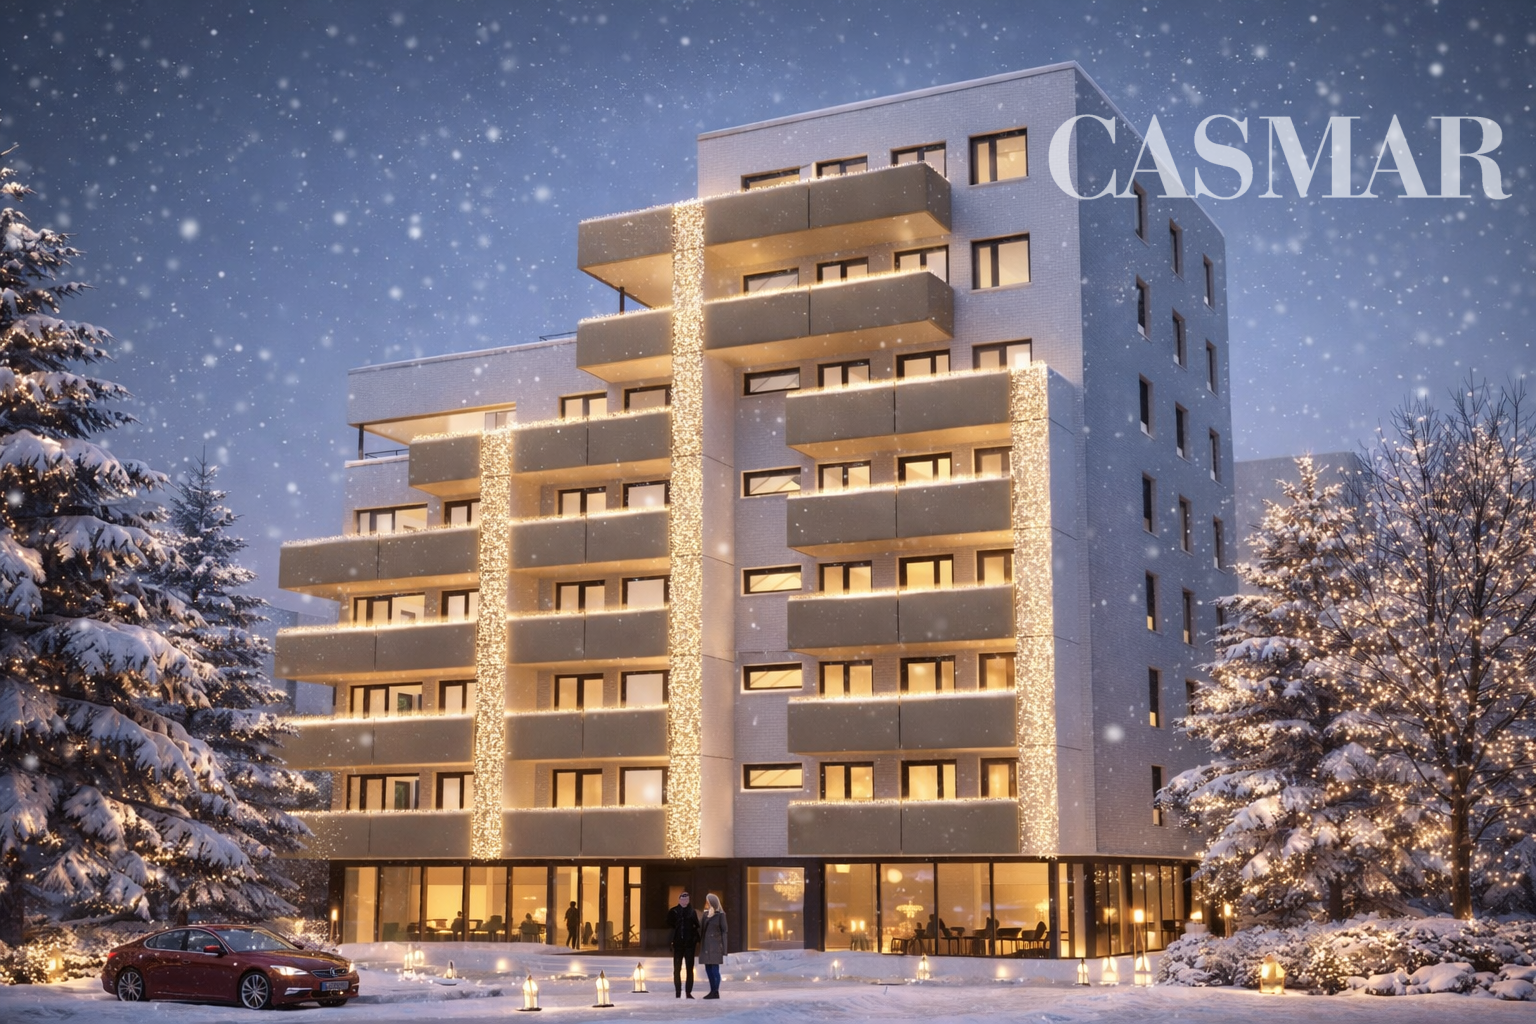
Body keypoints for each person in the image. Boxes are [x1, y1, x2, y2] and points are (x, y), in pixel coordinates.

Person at [666, 891, 701, 998]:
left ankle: (688, 992)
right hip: (678, 944)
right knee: (677, 969)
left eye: (687, 899)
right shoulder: (674, 912)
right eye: (683, 898)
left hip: (689, 944)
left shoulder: (692, 912)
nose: (685, 901)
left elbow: (696, 926)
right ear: (679, 900)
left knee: (689, 969)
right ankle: (678, 991)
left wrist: (694, 939)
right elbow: (669, 926)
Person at [699, 893, 728, 1000]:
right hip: (706, 945)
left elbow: (724, 931)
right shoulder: (705, 914)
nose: (706, 903)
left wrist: (724, 949)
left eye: (708, 901)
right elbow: (700, 929)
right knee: (708, 969)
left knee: (715, 969)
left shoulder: (720, 915)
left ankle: (715, 991)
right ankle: (712, 990)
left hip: (715, 946)